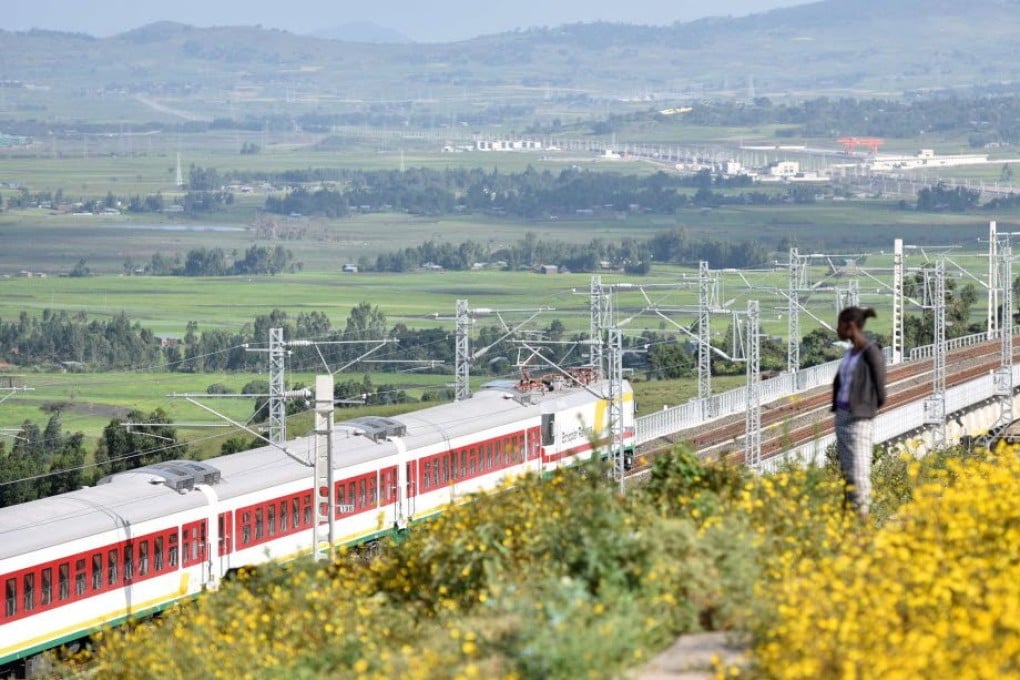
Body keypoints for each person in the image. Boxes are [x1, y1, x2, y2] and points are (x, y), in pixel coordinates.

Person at [831, 306, 887, 520]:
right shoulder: (850, 353)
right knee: (848, 472)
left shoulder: (871, 351)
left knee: (859, 471)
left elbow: (881, 389)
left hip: (859, 418)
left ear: (850, 326)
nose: (837, 329)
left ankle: (862, 519)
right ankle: (849, 518)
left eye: (839, 325)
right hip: (843, 416)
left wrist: (865, 408)